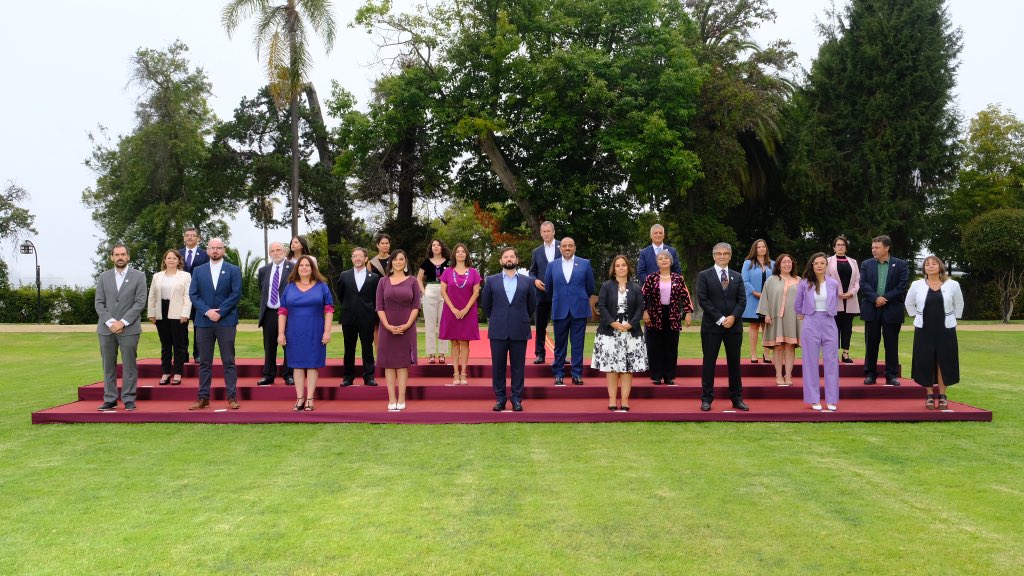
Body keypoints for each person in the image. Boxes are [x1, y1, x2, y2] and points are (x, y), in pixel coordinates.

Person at [187, 238, 243, 410]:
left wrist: (220, 312)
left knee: (228, 360)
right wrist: (207, 311)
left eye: (219, 248)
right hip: (204, 322)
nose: (215, 251)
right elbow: (194, 294)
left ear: (224, 250)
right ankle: (203, 397)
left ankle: (232, 397)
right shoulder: (198, 270)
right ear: (207, 250)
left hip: (226, 321)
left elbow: (236, 294)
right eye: (212, 248)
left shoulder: (233, 270)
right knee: (204, 362)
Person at [481, 247, 537, 411]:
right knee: (498, 366)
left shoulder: (527, 282)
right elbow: (486, 305)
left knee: (518, 367)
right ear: (501, 261)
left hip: (519, 329)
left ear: (517, 260)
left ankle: (517, 399)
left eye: (512, 256)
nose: (509, 259)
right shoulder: (491, 280)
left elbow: (531, 305)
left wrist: (519, 318)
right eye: (506, 257)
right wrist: (499, 318)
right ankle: (500, 399)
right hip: (498, 330)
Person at [905, 255, 964, 410]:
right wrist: (916, 315)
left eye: (934, 264)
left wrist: (954, 319)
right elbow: (908, 302)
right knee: (926, 361)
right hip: (924, 329)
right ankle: (930, 394)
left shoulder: (953, 284)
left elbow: (959, 303)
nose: (930, 266)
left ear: (940, 267)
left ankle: (943, 395)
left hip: (946, 328)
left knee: (944, 360)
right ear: (924, 268)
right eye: (927, 264)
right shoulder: (917, 284)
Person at [94, 244, 148, 411]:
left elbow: (140, 303)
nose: (120, 257)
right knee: (108, 365)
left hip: (129, 329)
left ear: (128, 257)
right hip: (106, 329)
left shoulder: (139, 276)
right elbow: (99, 303)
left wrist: (122, 322)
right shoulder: (103, 277)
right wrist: (111, 322)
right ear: (111, 257)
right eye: (116, 254)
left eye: (123, 254)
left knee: (129, 365)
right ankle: (110, 399)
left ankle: (128, 398)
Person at [696, 243, 749, 411]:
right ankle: (706, 399)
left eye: (725, 254)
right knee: (709, 363)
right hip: (712, 327)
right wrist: (720, 318)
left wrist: (733, 317)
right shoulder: (704, 276)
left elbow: (742, 301)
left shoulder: (737, 276)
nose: (722, 256)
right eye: (718, 253)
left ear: (730, 256)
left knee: (734, 364)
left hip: (734, 327)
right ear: (713, 256)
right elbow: (703, 300)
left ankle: (737, 398)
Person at [278, 255, 335, 411]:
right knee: (296, 365)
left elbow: (329, 309)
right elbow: (282, 310)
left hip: (315, 330)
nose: (304, 268)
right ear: (297, 268)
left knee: (312, 365)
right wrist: (281, 333)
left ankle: (310, 398)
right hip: (294, 331)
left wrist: (327, 331)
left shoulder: (322, 286)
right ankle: (299, 398)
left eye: (307, 265)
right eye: (301, 265)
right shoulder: (289, 286)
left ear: (312, 268)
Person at [594, 256, 647, 412]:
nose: (621, 268)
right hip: (610, 332)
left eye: (623, 265)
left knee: (626, 368)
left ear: (628, 267)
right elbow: (601, 306)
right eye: (618, 265)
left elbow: (640, 308)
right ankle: (612, 400)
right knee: (612, 368)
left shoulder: (636, 287)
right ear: (614, 268)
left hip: (630, 332)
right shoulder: (606, 286)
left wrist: (631, 324)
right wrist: (612, 322)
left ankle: (624, 400)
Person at [542, 236, 597, 385]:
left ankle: (577, 374)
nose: (567, 248)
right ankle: (558, 374)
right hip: (560, 309)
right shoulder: (552, 266)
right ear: (560, 248)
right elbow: (549, 288)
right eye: (565, 246)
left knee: (578, 343)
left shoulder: (585, 264)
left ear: (575, 248)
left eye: (570, 246)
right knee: (560, 344)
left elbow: (590, 287)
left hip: (579, 309)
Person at [859, 235, 910, 386]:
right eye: (873, 247)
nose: (873, 250)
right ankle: (870, 374)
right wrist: (876, 298)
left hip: (892, 309)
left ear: (886, 248)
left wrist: (885, 298)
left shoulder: (901, 265)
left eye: (877, 247)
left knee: (891, 344)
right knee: (871, 343)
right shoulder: (866, 264)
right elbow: (863, 284)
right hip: (871, 308)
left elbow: (901, 286)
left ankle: (891, 375)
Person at [794, 253, 841, 411]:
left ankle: (831, 399)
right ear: (812, 265)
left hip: (829, 322)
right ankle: (814, 399)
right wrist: (803, 314)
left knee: (831, 362)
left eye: (822, 263)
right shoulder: (804, 283)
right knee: (810, 362)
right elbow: (797, 304)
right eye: (816, 263)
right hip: (811, 322)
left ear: (827, 266)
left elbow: (834, 301)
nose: (819, 266)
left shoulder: (833, 283)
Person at [376, 249, 421, 411]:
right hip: (387, 326)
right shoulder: (383, 282)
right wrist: (387, 325)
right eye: (395, 259)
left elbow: (416, 305)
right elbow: (379, 306)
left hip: (407, 326)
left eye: (401, 259)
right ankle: (392, 399)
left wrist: (408, 324)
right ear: (391, 262)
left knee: (402, 364)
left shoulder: (413, 281)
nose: (398, 262)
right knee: (389, 364)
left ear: (406, 262)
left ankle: (401, 399)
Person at [640, 250, 693, 386]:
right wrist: (644, 311)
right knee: (654, 346)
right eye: (661, 258)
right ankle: (656, 376)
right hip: (654, 316)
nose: (664, 260)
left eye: (666, 258)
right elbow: (643, 297)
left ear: (671, 261)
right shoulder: (651, 278)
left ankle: (669, 376)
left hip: (673, 315)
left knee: (671, 346)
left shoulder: (678, 278)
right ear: (657, 262)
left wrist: (688, 313)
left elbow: (686, 296)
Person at [146, 249, 192, 385]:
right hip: (161, 311)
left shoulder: (185, 276)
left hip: (178, 313)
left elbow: (188, 296)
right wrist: (151, 313)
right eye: (168, 258)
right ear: (164, 260)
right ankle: (165, 372)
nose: (171, 260)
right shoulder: (157, 276)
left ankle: (177, 373)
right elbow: (152, 295)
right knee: (165, 345)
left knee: (179, 344)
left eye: (174, 258)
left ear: (179, 261)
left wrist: (185, 313)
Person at [439, 243, 482, 384]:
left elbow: (476, 292)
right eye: (458, 251)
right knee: (454, 342)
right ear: (454, 255)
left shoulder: (474, 272)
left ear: (467, 255)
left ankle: (464, 373)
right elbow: (443, 292)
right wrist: (453, 308)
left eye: (463, 251)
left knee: (465, 342)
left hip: (468, 311)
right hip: (451, 311)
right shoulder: (447, 272)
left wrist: (465, 309)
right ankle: (455, 374)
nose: (460, 254)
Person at [337, 247, 380, 387]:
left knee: (367, 347)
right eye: (355, 256)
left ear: (366, 258)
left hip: (367, 317)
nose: (357, 258)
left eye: (360, 256)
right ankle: (348, 377)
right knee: (349, 348)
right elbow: (340, 295)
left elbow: (376, 298)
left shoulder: (374, 277)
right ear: (351, 259)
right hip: (348, 316)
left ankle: (369, 377)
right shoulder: (344, 275)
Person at [758, 254, 802, 386]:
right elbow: (765, 297)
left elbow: (805, 299)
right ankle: (778, 375)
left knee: (790, 347)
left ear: (792, 264)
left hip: (793, 318)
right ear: (779, 264)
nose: (787, 264)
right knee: (778, 347)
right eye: (784, 262)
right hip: (775, 318)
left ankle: (788, 375)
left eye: (789, 262)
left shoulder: (799, 280)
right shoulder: (771, 280)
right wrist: (766, 314)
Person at [255, 242, 294, 386]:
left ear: (284, 251)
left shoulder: (293, 268)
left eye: (278, 250)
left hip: (288, 313)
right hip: (269, 313)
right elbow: (263, 290)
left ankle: (289, 375)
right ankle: (268, 375)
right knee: (269, 345)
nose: (276, 253)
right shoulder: (263, 270)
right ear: (270, 253)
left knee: (288, 344)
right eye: (273, 251)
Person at [528, 221, 559, 364]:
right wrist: (534, 281)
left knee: (561, 323)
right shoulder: (536, 251)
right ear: (541, 233)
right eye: (544, 231)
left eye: (549, 231)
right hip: (541, 293)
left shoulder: (562, 247)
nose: (546, 233)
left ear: (553, 232)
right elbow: (532, 272)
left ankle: (561, 354)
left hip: (560, 293)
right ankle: (540, 354)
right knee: (540, 324)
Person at [826, 235, 860, 363]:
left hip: (850, 299)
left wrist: (852, 292)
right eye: (838, 245)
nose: (840, 247)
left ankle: (846, 353)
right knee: (834, 328)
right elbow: (825, 279)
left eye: (843, 245)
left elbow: (857, 280)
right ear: (834, 247)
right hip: (834, 299)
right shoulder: (828, 261)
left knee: (847, 328)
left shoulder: (853, 262)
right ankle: (833, 354)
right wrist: (836, 292)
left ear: (846, 247)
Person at [417, 238, 450, 364]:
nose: (435, 247)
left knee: (443, 324)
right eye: (433, 245)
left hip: (444, 292)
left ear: (442, 247)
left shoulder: (449, 262)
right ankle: (431, 353)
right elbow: (419, 279)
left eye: (438, 245)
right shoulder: (426, 262)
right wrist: (423, 292)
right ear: (431, 248)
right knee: (429, 324)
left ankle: (442, 353)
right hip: (430, 290)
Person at [741, 239, 774, 363]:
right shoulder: (748, 263)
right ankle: (753, 354)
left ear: (766, 249)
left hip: (768, 300)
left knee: (766, 326)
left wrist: (768, 295)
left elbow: (776, 280)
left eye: (763, 246)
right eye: (759, 247)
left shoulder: (773, 264)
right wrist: (754, 292)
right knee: (754, 326)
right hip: (753, 298)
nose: (761, 249)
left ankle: (766, 354)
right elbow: (744, 281)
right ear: (755, 249)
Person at [179, 226, 209, 362]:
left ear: (198, 238)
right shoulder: (177, 254)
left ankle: (198, 354)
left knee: (199, 326)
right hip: (181, 296)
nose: (190, 237)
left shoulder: (205, 254)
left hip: (199, 296)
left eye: (193, 235)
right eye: (187, 235)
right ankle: (182, 354)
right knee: (181, 327)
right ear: (184, 237)